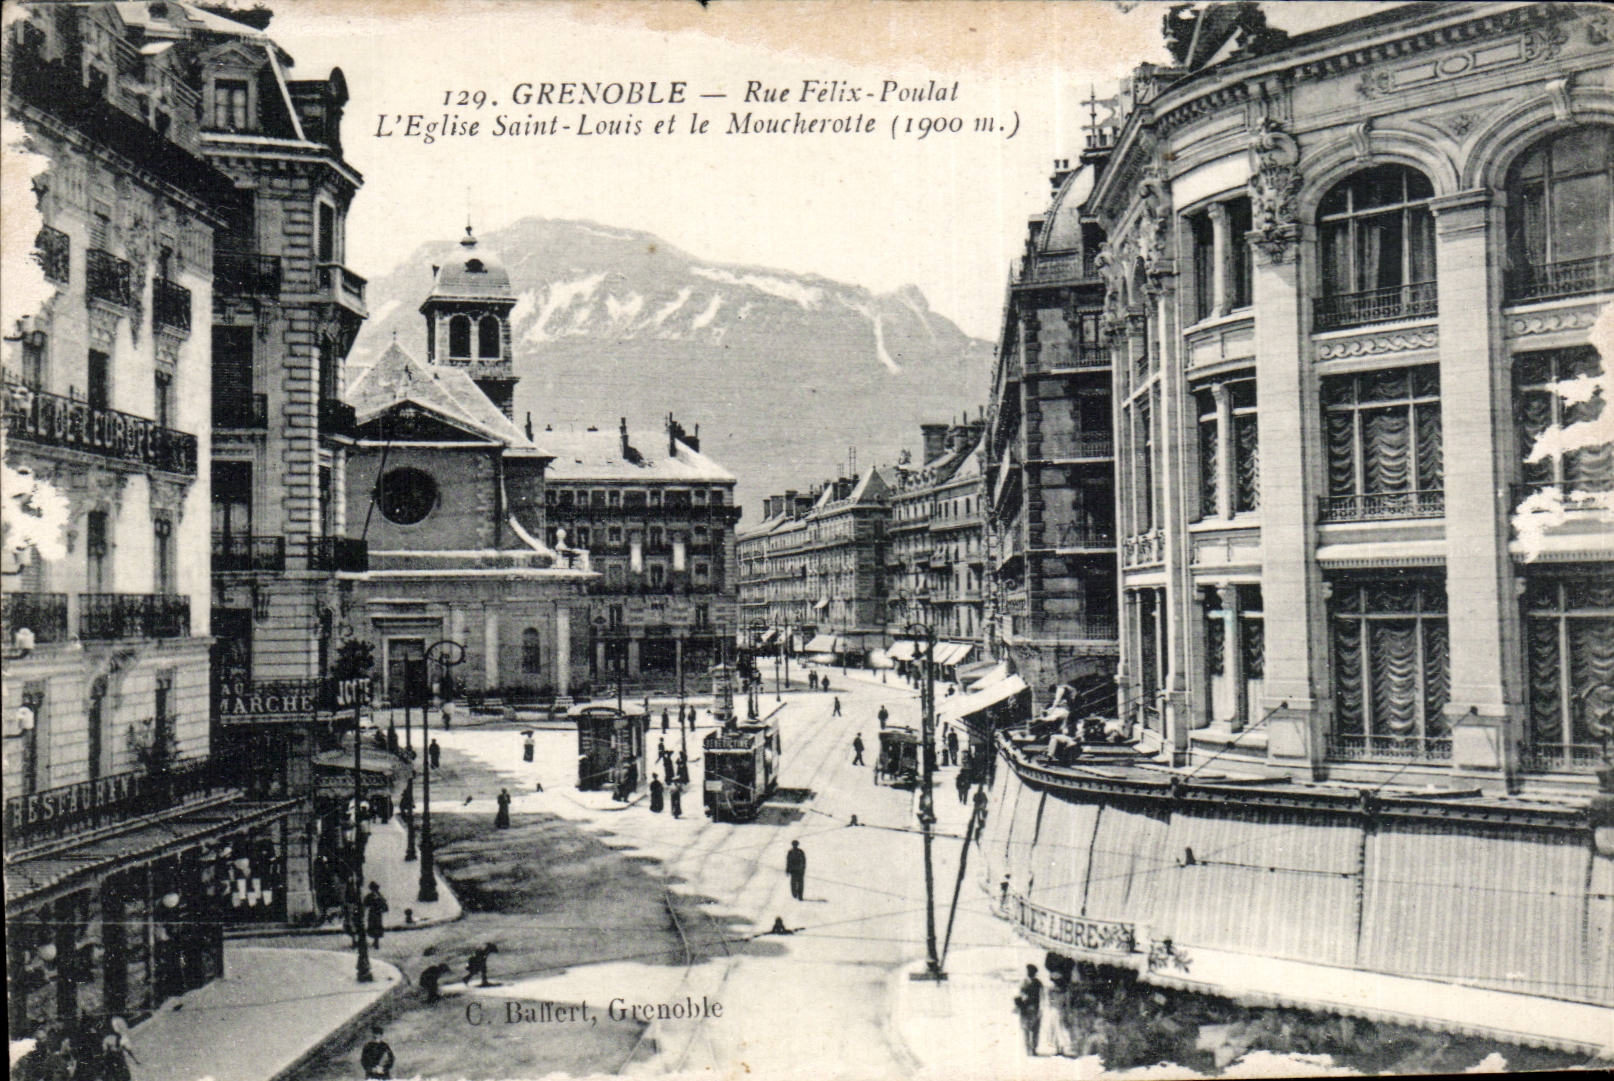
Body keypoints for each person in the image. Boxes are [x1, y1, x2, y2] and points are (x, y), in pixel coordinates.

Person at [1014, 964, 1043, 1056]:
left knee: (1034, 1030)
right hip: (1026, 1009)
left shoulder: (1037, 983)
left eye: (1032, 972)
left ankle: (1033, 1049)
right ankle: (1029, 1050)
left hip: (1034, 1008)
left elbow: (1042, 996)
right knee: (1027, 1030)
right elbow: (1019, 994)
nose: (1030, 973)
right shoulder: (1025, 982)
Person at [364, 881, 389, 948]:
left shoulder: (373, 896)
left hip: (374, 914)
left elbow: (365, 904)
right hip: (376, 914)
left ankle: (376, 942)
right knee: (375, 927)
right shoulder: (379, 896)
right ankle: (376, 941)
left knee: (375, 927)